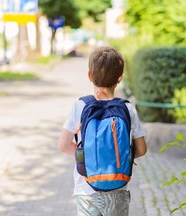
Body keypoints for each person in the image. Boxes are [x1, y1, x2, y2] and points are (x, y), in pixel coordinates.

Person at [58, 46, 147, 216]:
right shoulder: (128, 108)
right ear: (120, 78)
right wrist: (115, 154)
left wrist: (88, 156)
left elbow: (63, 145)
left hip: (86, 190)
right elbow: (142, 149)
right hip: (117, 188)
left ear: (89, 76)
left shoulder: (80, 105)